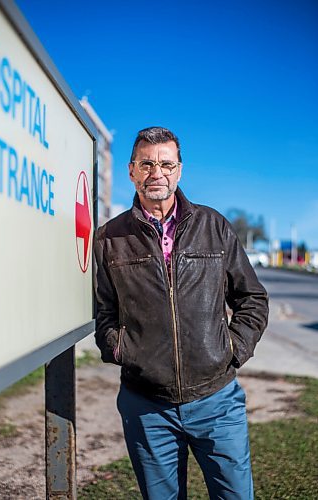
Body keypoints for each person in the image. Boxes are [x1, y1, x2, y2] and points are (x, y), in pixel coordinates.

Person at [93, 126, 268, 499]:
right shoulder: (109, 238)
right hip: (147, 407)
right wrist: (120, 349)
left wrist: (232, 350)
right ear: (131, 170)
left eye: (166, 164)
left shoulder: (214, 227)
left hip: (216, 400)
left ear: (179, 170)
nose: (157, 173)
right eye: (147, 164)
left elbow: (252, 299)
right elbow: (104, 309)